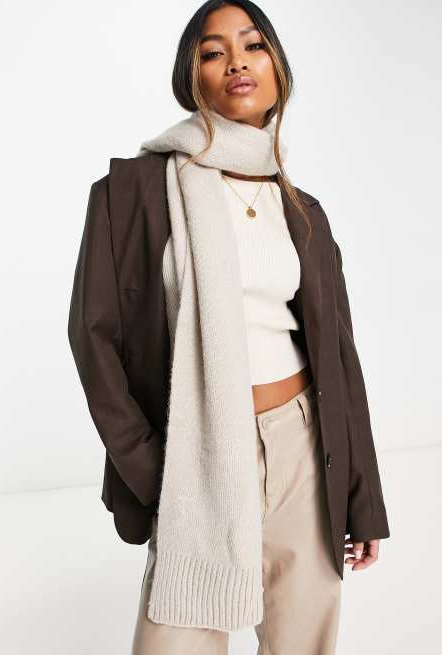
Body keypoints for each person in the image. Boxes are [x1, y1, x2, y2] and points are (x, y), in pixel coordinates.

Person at [67, 1, 391, 653]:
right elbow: (92, 339)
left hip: (302, 450)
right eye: (213, 52)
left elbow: (339, 357)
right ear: (192, 78)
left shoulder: (302, 209)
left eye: (253, 46)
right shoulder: (132, 193)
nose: (236, 62)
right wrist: (154, 470)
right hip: (197, 453)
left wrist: (362, 499)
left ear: (277, 69)